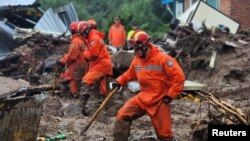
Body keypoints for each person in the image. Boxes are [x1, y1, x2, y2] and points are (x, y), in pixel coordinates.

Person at [112, 31, 185, 141]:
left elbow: (179, 78)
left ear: (145, 45)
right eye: (133, 48)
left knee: (164, 136)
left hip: (160, 100)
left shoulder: (163, 58)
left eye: (136, 48)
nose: (134, 51)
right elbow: (129, 74)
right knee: (122, 115)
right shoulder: (137, 60)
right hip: (143, 97)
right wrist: (120, 81)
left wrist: (170, 95)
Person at [77, 21, 113, 115]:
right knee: (103, 90)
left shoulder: (94, 39)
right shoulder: (92, 37)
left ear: (86, 30)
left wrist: (85, 53)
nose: (82, 36)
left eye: (82, 33)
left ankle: (80, 107)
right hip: (103, 64)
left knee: (86, 81)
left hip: (102, 65)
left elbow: (92, 54)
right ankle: (106, 109)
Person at [57, 21, 88, 98]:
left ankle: (73, 96)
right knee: (75, 80)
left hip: (76, 66)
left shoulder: (76, 41)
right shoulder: (82, 41)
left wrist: (63, 61)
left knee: (71, 80)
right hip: (82, 64)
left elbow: (72, 56)